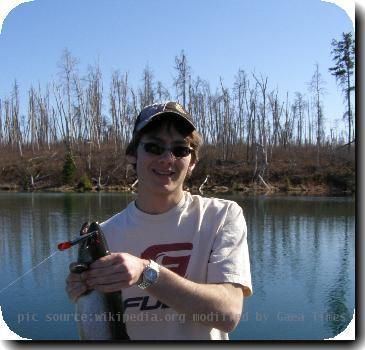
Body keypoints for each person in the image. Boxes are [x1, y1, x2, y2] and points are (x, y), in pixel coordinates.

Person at [66, 101, 252, 340]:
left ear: (192, 161)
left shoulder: (221, 216)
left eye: (180, 149)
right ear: (132, 154)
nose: (167, 158)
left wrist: (146, 274)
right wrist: (82, 293)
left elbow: (228, 314)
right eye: (154, 147)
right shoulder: (103, 237)